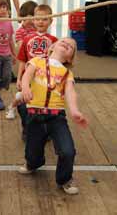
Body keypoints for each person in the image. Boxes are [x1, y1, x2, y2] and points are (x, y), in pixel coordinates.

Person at [18, 37, 88, 195]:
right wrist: (25, 88)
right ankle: (33, 163)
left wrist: (75, 111)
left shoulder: (67, 73)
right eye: (64, 41)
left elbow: (70, 93)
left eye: (71, 46)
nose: (67, 44)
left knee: (68, 151)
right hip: (34, 115)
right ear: (52, 46)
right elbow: (26, 75)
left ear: (70, 57)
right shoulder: (37, 61)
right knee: (33, 154)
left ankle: (65, 179)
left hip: (56, 118)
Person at [15, 4, 57, 139]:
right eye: (38, 19)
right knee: (23, 105)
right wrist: (19, 78)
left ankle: (46, 129)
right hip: (28, 79)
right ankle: (27, 128)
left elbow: (58, 64)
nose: (40, 22)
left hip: (46, 80)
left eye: (45, 19)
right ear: (33, 20)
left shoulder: (54, 41)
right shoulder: (27, 39)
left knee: (46, 105)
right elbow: (22, 59)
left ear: (51, 21)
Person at [6, 0, 37, 119]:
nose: (32, 20)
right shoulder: (20, 32)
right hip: (26, 66)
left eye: (34, 17)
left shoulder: (38, 30)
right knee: (22, 93)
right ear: (23, 17)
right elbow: (20, 49)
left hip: (39, 67)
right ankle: (13, 106)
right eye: (30, 17)